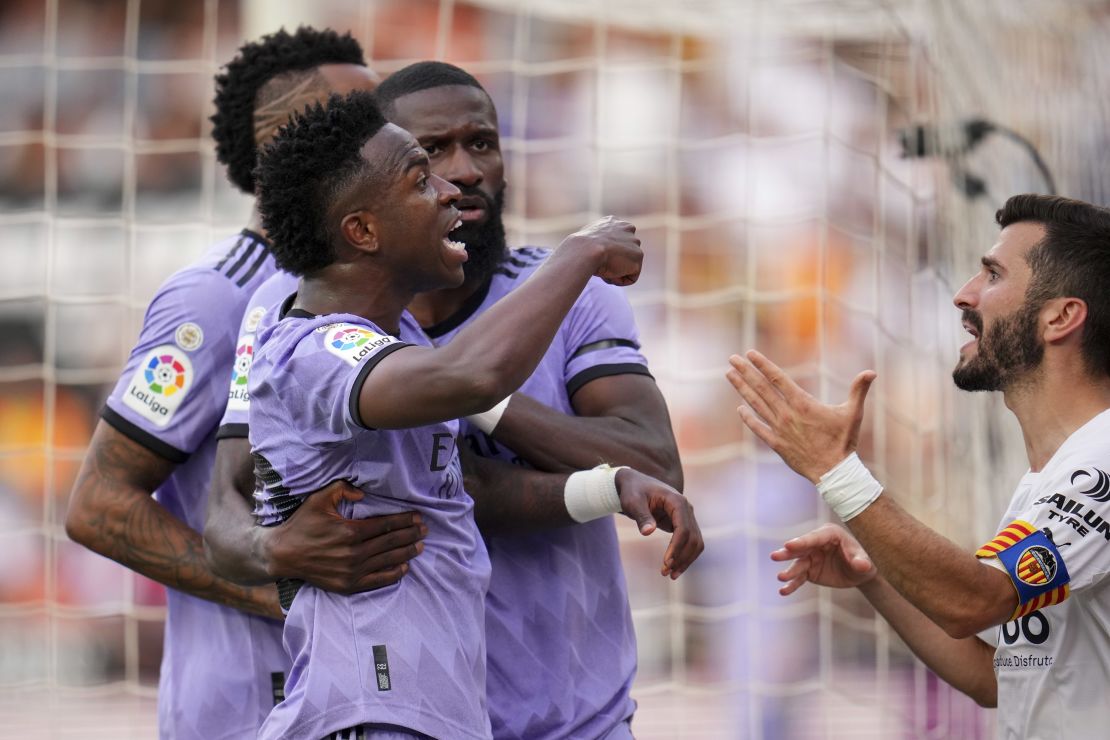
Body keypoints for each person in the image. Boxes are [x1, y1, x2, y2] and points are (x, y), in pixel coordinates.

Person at [203, 60, 694, 740]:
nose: (456, 181)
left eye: (482, 144)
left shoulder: (451, 332)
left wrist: (607, 486)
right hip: (378, 710)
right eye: (425, 163)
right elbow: (464, 380)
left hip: (545, 715)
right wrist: (578, 252)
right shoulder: (305, 336)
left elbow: (463, 483)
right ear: (362, 228)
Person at [62, 27, 422, 740]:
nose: (387, 136)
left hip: (360, 703)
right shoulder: (216, 301)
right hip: (244, 709)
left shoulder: (376, 296)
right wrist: (279, 590)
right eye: (359, 118)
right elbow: (97, 506)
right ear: (289, 143)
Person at [726, 193, 1110, 738]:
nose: (963, 295)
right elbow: (1000, 677)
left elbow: (974, 600)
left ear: (1061, 317)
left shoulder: (1103, 462)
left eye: (992, 275)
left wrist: (837, 471)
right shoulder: (1045, 482)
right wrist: (877, 575)